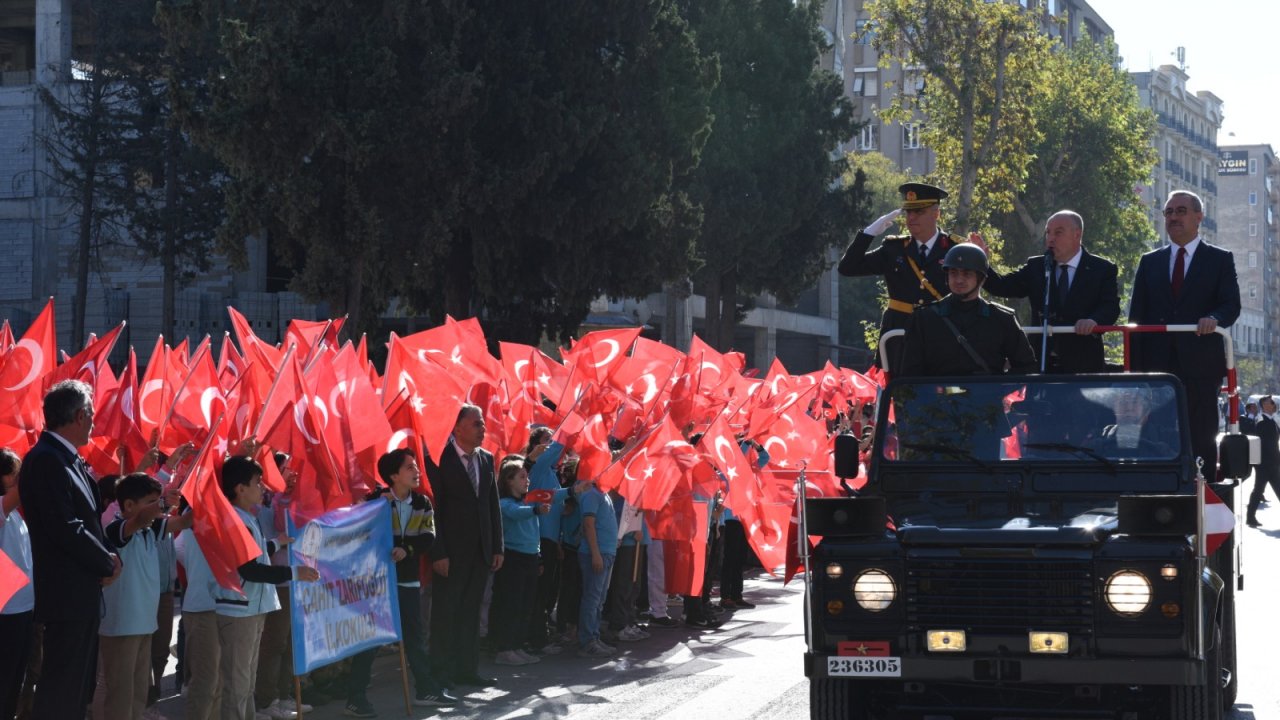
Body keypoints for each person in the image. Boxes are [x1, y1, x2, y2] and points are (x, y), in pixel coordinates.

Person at [17, 380, 122, 720]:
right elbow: (65, 527)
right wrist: (105, 563)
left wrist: (109, 554)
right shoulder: (46, 459)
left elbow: (89, 521)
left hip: (81, 593)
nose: (93, 421)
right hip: (66, 595)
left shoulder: (68, 459)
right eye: (90, 414)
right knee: (61, 689)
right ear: (79, 415)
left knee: (78, 689)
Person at [1129, 190, 1241, 480]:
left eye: (1181, 211)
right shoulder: (1149, 262)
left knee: (1201, 436)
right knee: (1157, 436)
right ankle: (1159, 491)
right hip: (1157, 370)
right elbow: (1136, 317)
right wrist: (1135, 373)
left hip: (1201, 367)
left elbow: (1231, 304)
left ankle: (1204, 494)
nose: (1173, 217)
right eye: (1168, 212)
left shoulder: (1219, 259)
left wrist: (1214, 319)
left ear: (1199, 217)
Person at [345, 449, 455, 718]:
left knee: (415, 637)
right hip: (377, 583)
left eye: (416, 466)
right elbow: (358, 531)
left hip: (408, 580)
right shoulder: (376, 501)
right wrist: (373, 510)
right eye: (410, 467)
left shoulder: (422, 502)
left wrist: (407, 549)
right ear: (393, 476)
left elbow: (428, 536)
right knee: (371, 641)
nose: (417, 472)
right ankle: (355, 697)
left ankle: (425, 689)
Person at [214, 456, 320, 720]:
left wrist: (276, 544)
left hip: (252, 608)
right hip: (239, 611)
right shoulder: (236, 520)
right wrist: (294, 572)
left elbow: (256, 554)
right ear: (240, 488)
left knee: (246, 683)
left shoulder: (246, 518)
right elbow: (250, 569)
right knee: (238, 685)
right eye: (257, 482)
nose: (262, 487)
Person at [974, 210, 1121, 372]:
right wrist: (979, 260)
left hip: (1083, 364)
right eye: (1048, 232)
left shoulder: (1102, 269)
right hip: (1040, 363)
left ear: (1077, 235)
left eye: (1058, 233)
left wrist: (1094, 321)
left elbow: (1110, 307)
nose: (1051, 238)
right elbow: (1001, 286)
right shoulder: (1037, 267)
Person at [837, 182, 961, 373]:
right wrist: (869, 233)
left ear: (936, 214)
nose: (911, 217)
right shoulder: (894, 249)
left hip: (940, 334)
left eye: (919, 212)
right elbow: (848, 267)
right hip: (899, 337)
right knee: (899, 389)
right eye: (908, 212)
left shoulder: (955, 249)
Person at [99, 472, 193, 720]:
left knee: (139, 691)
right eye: (151, 502)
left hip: (144, 625)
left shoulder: (152, 529)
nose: (159, 509)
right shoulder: (116, 529)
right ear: (129, 505)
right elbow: (141, 518)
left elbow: (184, 522)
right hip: (121, 627)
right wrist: (162, 503)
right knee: (121, 693)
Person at [424, 404, 503, 690]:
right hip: (451, 553)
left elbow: (491, 505)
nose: (483, 429)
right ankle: (441, 672)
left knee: (470, 611)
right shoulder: (438, 459)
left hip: (480, 551)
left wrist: (497, 546)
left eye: (482, 423)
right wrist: (439, 552)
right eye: (476, 424)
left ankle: (467, 670)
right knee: (446, 612)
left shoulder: (486, 459)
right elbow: (434, 511)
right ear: (457, 428)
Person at [899, 244, 1038, 377]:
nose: (959, 280)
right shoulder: (923, 319)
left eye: (967, 274)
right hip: (937, 394)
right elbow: (910, 375)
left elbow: (1026, 368)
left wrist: (1000, 386)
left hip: (987, 393)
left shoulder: (1002, 319)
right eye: (953, 273)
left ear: (981, 279)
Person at [491, 456, 552, 666]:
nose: (527, 481)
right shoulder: (504, 503)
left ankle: (517, 646)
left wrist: (573, 491)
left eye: (527, 477)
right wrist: (536, 510)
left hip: (530, 558)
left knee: (526, 606)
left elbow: (554, 495)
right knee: (511, 605)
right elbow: (517, 514)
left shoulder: (528, 500)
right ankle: (504, 649)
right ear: (509, 480)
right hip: (513, 559)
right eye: (522, 477)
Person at [0, 448, 34, 720]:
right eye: (14, 473)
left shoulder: (16, 515)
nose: (19, 478)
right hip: (5, 612)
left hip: (23, 609)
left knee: (15, 681)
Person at [576, 479, 619, 657]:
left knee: (599, 600)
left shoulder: (603, 494)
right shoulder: (592, 494)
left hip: (606, 553)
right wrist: (595, 553)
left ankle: (594, 637)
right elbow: (588, 524)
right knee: (592, 599)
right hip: (596, 554)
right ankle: (587, 642)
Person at [1245, 396, 1280, 528]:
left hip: (1273, 463)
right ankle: (1250, 517)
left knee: (1264, 490)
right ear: (1265, 406)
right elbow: (1264, 444)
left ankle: (1250, 517)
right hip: (1265, 464)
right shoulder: (1262, 422)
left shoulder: (1272, 421)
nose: (1274, 404)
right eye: (1271, 402)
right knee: (1258, 490)